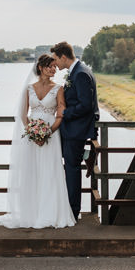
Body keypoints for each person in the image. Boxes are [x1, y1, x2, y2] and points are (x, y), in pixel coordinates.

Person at [0, 54, 76, 229]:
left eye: (55, 67)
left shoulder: (59, 89)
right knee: (31, 172)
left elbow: (61, 115)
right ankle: (30, 213)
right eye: (50, 66)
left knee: (49, 172)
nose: (53, 69)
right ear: (41, 67)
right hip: (31, 137)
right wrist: (32, 133)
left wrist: (47, 133)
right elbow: (23, 114)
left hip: (50, 135)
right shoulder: (29, 88)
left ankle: (50, 213)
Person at [50, 41, 99, 220]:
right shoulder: (78, 71)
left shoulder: (80, 74)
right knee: (70, 168)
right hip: (73, 130)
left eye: (56, 59)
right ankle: (87, 156)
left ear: (64, 57)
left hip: (75, 131)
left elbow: (86, 105)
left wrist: (65, 112)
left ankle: (72, 211)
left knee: (71, 170)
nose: (55, 63)